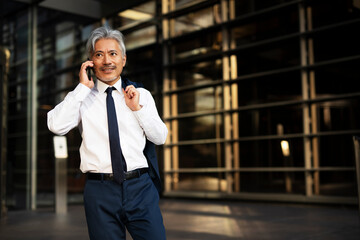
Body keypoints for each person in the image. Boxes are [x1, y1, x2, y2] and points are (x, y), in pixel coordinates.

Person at [47, 26, 168, 240]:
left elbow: (160, 137)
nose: (107, 61)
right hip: (99, 191)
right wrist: (81, 89)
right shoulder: (81, 97)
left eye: (113, 53)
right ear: (91, 61)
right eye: (99, 54)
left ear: (123, 59)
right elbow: (56, 125)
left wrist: (137, 109)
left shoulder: (141, 95)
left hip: (139, 188)